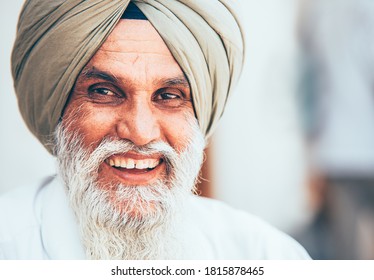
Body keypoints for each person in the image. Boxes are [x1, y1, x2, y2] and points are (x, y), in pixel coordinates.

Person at [0, 0, 310, 260]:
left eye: (169, 97)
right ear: (58, 109)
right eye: (104, 92)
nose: (140, 132)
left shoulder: (263, 255)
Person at [295, 0, 374, 259]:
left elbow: (306, 85)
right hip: (346, 148)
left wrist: (310, 156)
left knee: (345, 253)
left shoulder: (315, 10)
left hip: (335, 149)